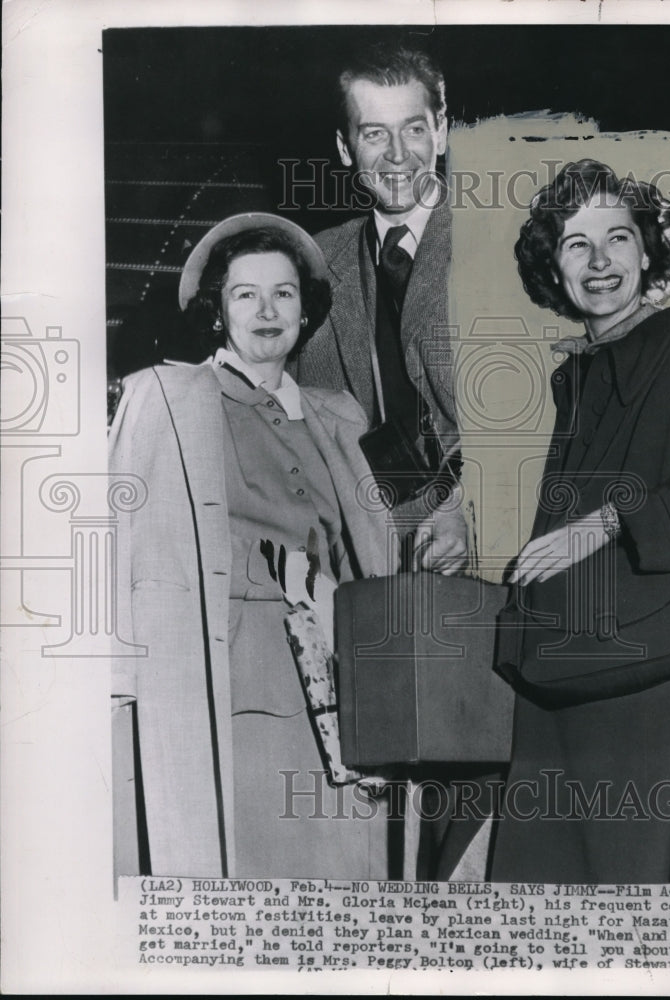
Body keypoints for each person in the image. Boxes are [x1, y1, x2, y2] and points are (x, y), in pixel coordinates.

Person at [490, 159, 670, 882]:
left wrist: (603, 523)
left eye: (617, 238)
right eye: (574, 244)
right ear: (552, 268)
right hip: (560, 675)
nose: (598, 262)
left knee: (631, 908)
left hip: (654, 679)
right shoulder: (577, 378)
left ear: (648, 251)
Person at [110, 213, 396, 877]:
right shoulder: (168, 397)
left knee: (352, 883)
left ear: (305, 311)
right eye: (246, 294)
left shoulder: (341, 413)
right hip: (239, 678)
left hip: (352, 681)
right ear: (219, 311)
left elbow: (379, 543)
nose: (267, 311)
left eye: (284, 294)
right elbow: (124, 542)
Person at [292, 42, 468, 575]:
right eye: (374, 134)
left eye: (414, 129)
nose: (397, 154)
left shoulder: (507, 245)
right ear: (346, 149)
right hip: (360, 557)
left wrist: (470, 505)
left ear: (441, 131)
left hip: (485, 547)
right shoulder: (312, 260)